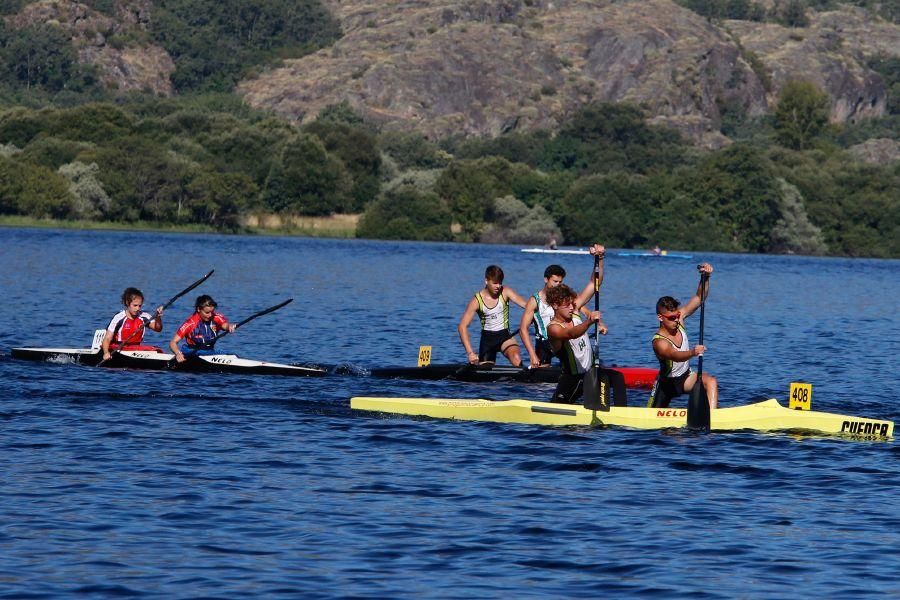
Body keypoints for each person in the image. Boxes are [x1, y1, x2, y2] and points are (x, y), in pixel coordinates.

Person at [518, 244, 606, 368]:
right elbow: (523, 329)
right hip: (546, 343)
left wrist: (600, 259)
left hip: (566, 337)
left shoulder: (566, 300)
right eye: (555, 282)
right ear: (546, 279)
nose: (557, 285)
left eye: (560, 282)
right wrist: (532, 355)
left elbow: (594, 284)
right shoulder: (534, 300)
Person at [648, 263, 718, 409]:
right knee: (655, 424)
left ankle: (712, 417)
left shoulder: (679, 319)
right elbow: (674, 355)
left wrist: (705, 277)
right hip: (666, 384)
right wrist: (693, 352)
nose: (676, 320)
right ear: (660, 317)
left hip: (685, 377)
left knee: (710, 381)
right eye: (671, 318)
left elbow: (699, 297)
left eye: (677, 316)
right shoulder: (659, 342)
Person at [545, 284, 627, 405]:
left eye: (572, 304)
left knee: (617, 377)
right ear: (555, 305)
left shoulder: (574, 312)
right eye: (567, 305)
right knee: (556, 410)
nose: (571, 308)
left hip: (591, 373)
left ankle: (621, 412)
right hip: (573, 379)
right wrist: (589, 321)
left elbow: (594, 284)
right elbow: (571, 333)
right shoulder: (553, 328)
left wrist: (600, 264)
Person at [458, 265, 528, 366]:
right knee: (485, 375)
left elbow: (526, 306)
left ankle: (523, 379)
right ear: (486, 281)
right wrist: (470, 353)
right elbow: (462, 327)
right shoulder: (476, 301)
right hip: (487, 340)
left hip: (505, 336)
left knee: (516, 358)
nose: (498, 286)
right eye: (495, 283)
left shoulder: (505, 292)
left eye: (500, 282)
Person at [169, 294, 236, 363]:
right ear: (198, 309)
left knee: (233, 355)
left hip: (210, 352)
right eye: (207, 312)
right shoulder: (190, 323)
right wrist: (178, 353)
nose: (210, 315)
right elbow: (173, 342)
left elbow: (225, 325)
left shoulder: (216, 317)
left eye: (212, 312)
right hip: (192, 352)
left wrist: (229, 326)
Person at [101, 287, 163, 361]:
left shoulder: (144, 316)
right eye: (135, 305)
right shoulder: (118, 317)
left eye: (140, 306)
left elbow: (158, 329)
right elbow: (107, 338)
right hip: (118, 348)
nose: (138, 309)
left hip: (136, 348)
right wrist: (106, 352)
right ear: (127, 303)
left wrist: (158, 317)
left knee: (157, 350)